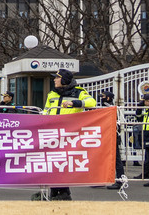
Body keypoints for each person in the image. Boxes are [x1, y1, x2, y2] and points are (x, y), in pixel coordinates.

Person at [43, 69, 97, 200]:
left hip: (69, 134)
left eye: (57, 77)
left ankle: (64, 192)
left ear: (64, 80)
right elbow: (46, 111)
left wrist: (74, 103)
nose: (54, 80)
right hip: (53, 134)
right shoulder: (52, 94)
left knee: (63, 163)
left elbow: (92, 103)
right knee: (53, 163)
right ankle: (54, 192)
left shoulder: (79, 92)